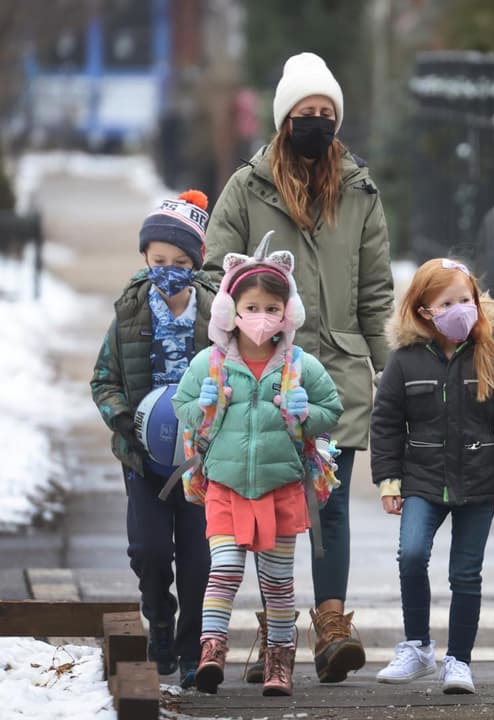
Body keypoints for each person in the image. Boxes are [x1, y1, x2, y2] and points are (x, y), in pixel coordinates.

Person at [204, 51, 393, 683]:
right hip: (261, 371)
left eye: (326, 113)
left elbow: (375, 294)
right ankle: (275, 630)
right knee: (266, 501)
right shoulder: (247, 187)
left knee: (328, 502)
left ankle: (333, 623)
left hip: (335, 369)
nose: (317, 123)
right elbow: (213, 274)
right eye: (305, 113)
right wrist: (242, 320)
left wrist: (392, 371)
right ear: (284, 119)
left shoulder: (361, 192)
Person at [174, 242, 343, 696]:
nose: (261, 316)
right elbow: (182, 405)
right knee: (224, 569)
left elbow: (333, 409)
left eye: (272, 307)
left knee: (277, 581)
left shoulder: (300, 365)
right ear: (231, 309)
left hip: (281, 486)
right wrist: (199, 406)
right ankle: (212, 650)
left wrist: (309, 413)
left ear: (287, 312)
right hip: (226, 485)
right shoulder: (209, 363)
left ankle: (280, 661)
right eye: (251, 306)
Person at [369, 259, 494, 694]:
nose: (460, 309)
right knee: (411, 555)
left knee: (466, 573)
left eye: (466, 300)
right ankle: (417, 647)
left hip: (480, 481)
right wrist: (388, 480)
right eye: (448, 302)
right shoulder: (403, 363)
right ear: (425, 310)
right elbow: (386, 424)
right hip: (422, 479)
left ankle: (459, 660)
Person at [90, 190, 218, 688]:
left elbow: (233, 372)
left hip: (200, 460)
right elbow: (103, 379)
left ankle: (189, 648)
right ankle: (157, 616)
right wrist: (126, 423)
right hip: (143, 457)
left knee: (198, 560)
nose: (168, 269)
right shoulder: (129, 313)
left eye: (180, 261)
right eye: (158, 259)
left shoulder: (215, 314)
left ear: (196, 263)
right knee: (147, 548)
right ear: (145, 257)